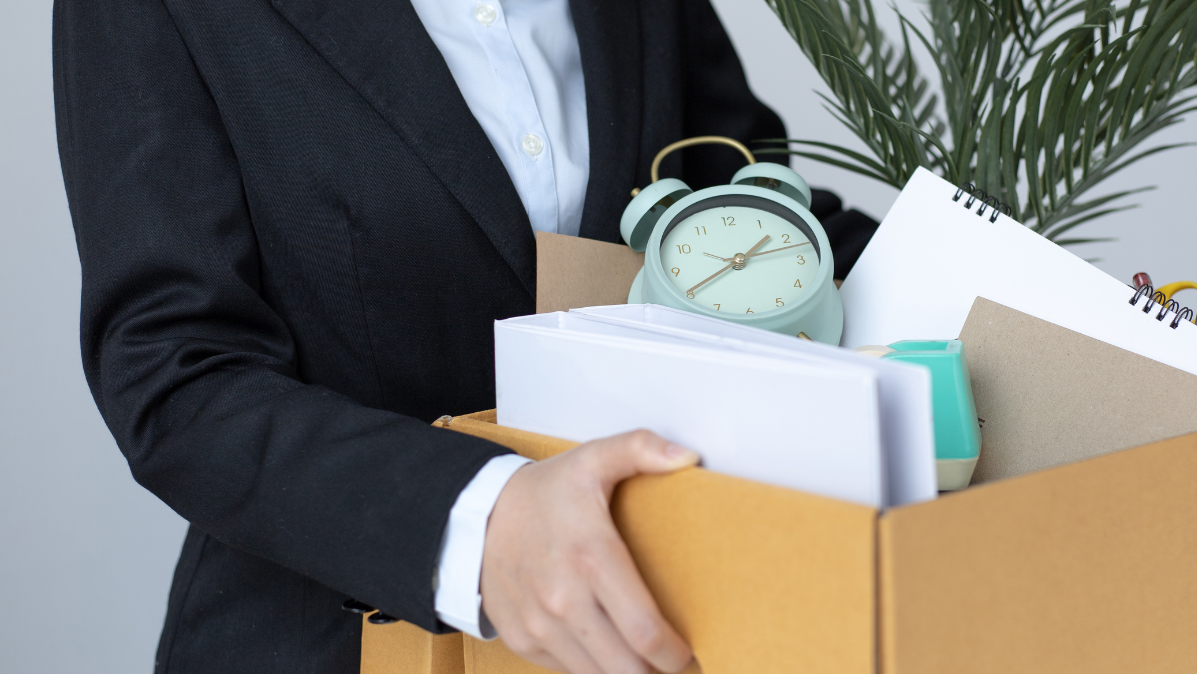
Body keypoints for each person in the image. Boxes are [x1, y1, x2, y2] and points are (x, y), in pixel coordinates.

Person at [53, 0, 877, 672]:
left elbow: (755, 217)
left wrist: (950, 272)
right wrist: (482, 519)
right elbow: (175, 375)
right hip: (327, 641)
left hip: (660, 612)